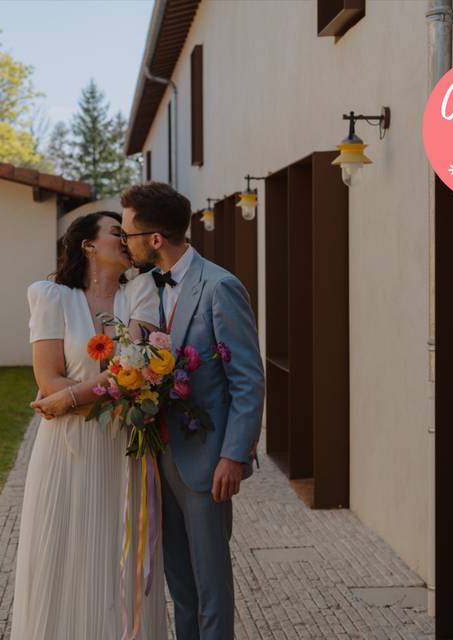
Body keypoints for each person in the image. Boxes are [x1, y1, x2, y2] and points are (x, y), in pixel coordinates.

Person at [10, 211, 168, 640]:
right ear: (88, 245)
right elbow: (48, 379)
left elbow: (134, 365)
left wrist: (70, 398)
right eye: (116, 232)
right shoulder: (52, 297)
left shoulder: (140, 291)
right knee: (62, 552)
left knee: (119, 555)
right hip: (67, 450)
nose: (126, 239)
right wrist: (92, 395)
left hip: (124, 448)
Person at [120, 182, 265, 640]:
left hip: (207, 461)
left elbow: (248, 378)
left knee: (210, 585)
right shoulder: (144, 289)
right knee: (179, 585)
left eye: (129, 235)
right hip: (159, 455)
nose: (125, 243)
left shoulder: (220, 287)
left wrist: (233, 455)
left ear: (155, 239)